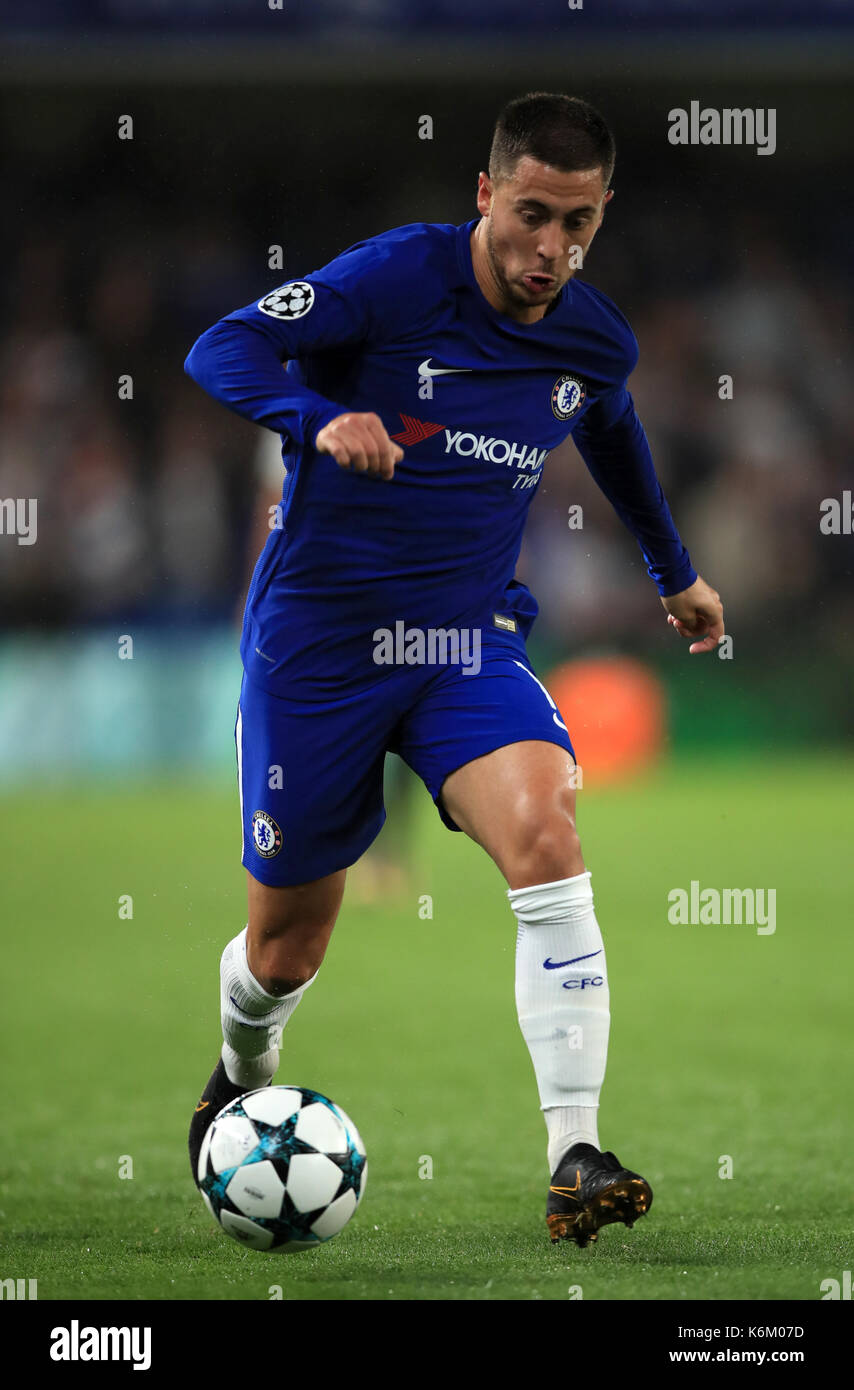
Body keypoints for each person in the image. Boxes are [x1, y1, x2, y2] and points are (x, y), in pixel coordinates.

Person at [184, 92, 724, 1246]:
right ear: (483, 193)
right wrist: (314, 413)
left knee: (549, 837)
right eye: (529, 214)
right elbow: (216, 343)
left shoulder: (587, 334)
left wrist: (673, 573)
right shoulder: (389, 280)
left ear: (600, 213)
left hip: (461, 642)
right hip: (317, 650)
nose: (549, 250)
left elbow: (611, 428)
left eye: (576, 225)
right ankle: (239, 1068)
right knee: (286, 953)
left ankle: (572, 1151)